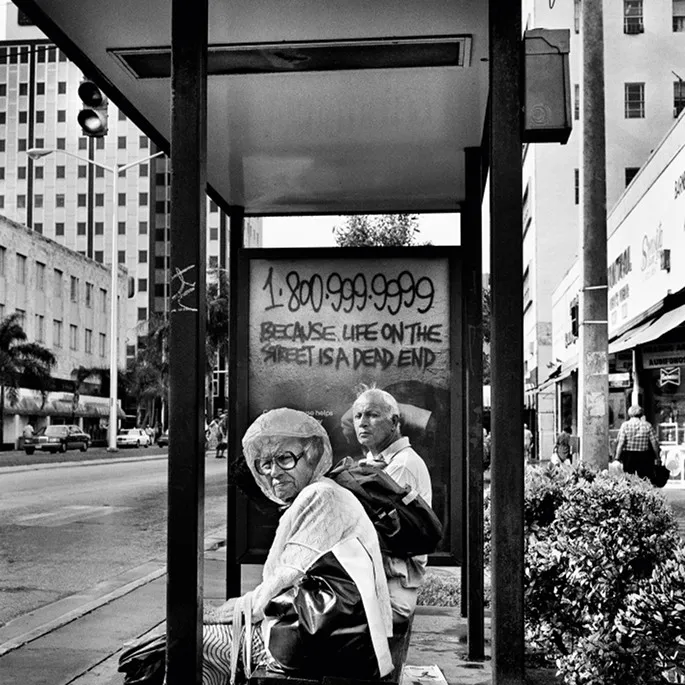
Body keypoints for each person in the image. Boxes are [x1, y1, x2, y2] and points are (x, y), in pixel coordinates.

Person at [202, 408, 393, 683]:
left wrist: (225, 612)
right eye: (265, 464)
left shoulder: (321, 496)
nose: (274, 473)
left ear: (313, 455)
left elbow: (281, 582)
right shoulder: (318, 492)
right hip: (330, 634)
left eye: (285, 459)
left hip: (328, 643)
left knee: (192, 644)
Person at [351, 387, 432, 625]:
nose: (362, 423)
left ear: (394, 422)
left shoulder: (402, 466)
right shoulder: (376, 462)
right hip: (380, 583)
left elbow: (368, 531)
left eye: (372, 415)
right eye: (358, 416)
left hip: (391, 589)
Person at [614, 404, 660, 479]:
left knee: (629, 478)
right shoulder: (647, 425)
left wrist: (617, 458)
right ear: (641, 414)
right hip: (644, 456)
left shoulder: (625, 425)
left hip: (629, 456)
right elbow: (654, 443)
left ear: (629, 414)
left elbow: (621, 443)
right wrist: (657, 457)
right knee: (643, 478)